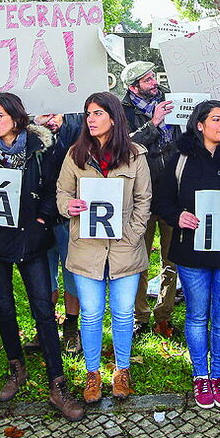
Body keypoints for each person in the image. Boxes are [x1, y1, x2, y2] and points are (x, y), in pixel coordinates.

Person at [0, 93, 84, 421]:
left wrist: (41, 220)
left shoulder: (41, 147)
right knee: (4, 308)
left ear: (16, 116)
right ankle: (16, 368)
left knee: (43, 310)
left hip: (32, 240)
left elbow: (53, 188)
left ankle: (57, 383)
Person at [155, 100, 220, 408]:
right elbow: (163, 201)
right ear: (199, 125)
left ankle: (219, 375)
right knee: (197, 315)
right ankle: (201, 376)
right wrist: (178, 218)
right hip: (193, 254)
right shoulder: (180, 159)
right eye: (216, 119)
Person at [56, 92, 152, 403]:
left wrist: (133, 234)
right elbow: (62, 193)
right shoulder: (75, 154)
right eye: (88, 113)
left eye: (98, 113)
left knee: (123, 313)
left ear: (113, 118)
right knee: (92, 313)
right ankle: (93, 372)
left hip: (125, 249)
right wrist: (69, 206)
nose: (91, 119)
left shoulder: (136, 155)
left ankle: (122, 370)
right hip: (86, 248)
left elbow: (143, 200)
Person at [120, 61, 180, 337]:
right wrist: (153, 123)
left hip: (172, 193)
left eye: (154, 76)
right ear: (133, 87)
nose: (154, 82)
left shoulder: (172, 100)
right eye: (147, 80)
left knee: (171, 258)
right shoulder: (121, 111)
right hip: (140, 196)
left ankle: (164, 313)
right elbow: (126, 147)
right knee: (138, 258)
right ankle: (140, 315)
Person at [35, 111, 84, 352]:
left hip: (68, 215)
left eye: (54, 114)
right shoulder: (29, 133)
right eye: (45, 114)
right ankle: (45, 327)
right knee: (43, 275)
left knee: (72, 273)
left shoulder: (78, 127)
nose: (50, 120)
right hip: (39, 215)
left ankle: (71, 328)